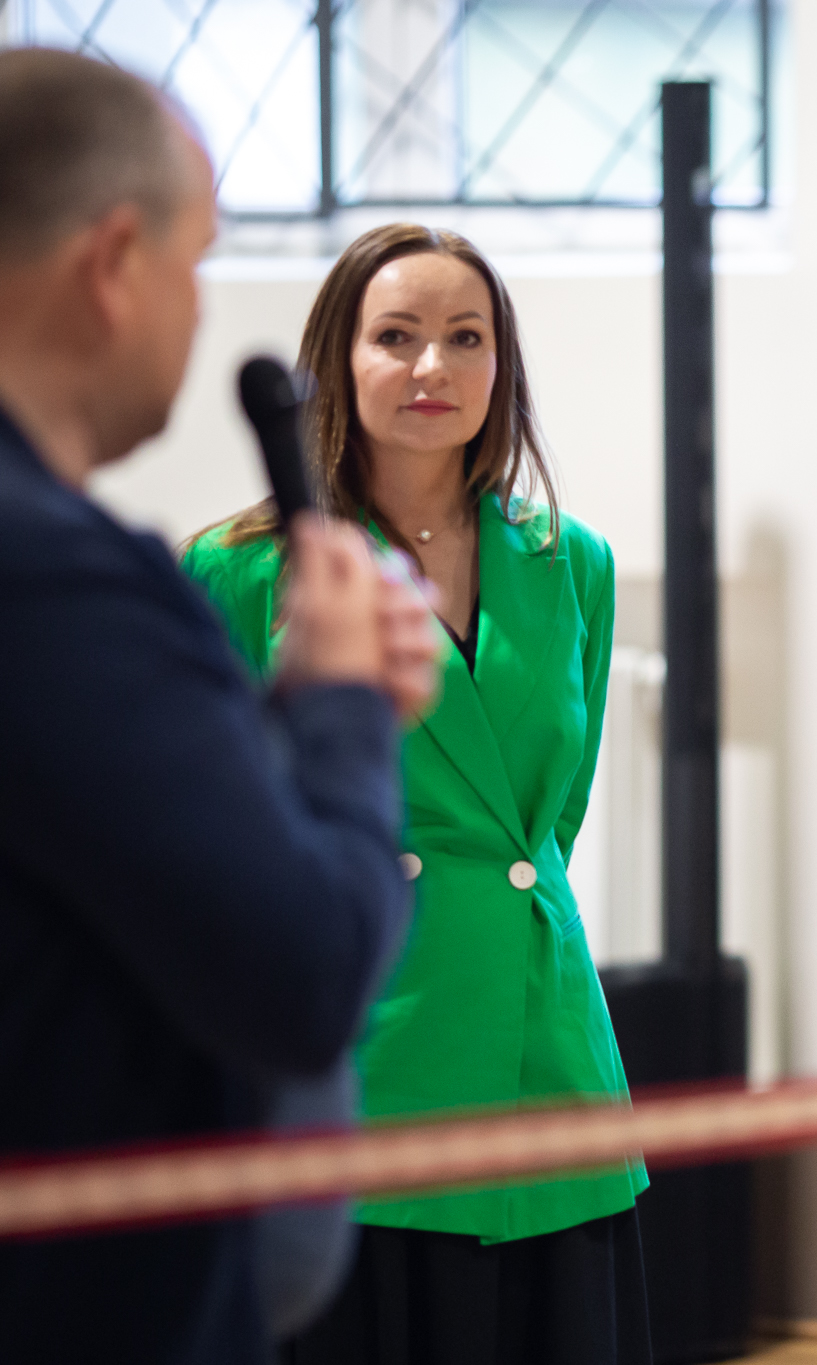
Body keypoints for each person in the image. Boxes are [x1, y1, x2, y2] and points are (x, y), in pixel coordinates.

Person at [0, 49, 441, 1365]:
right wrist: (345, 709)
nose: (197, 314)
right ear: (111, 263)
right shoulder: (60, 581)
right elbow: (301, 972)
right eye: (193, 263)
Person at [183, 221, 650, 1365]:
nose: (432, 366)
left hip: (547, 1055)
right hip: (361, 1049)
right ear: (337, 360)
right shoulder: (239, 571)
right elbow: (217, 835)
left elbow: (549, 818)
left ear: (502, 365)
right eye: (395, 336)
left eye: (465, 337)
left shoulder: (571, 561)